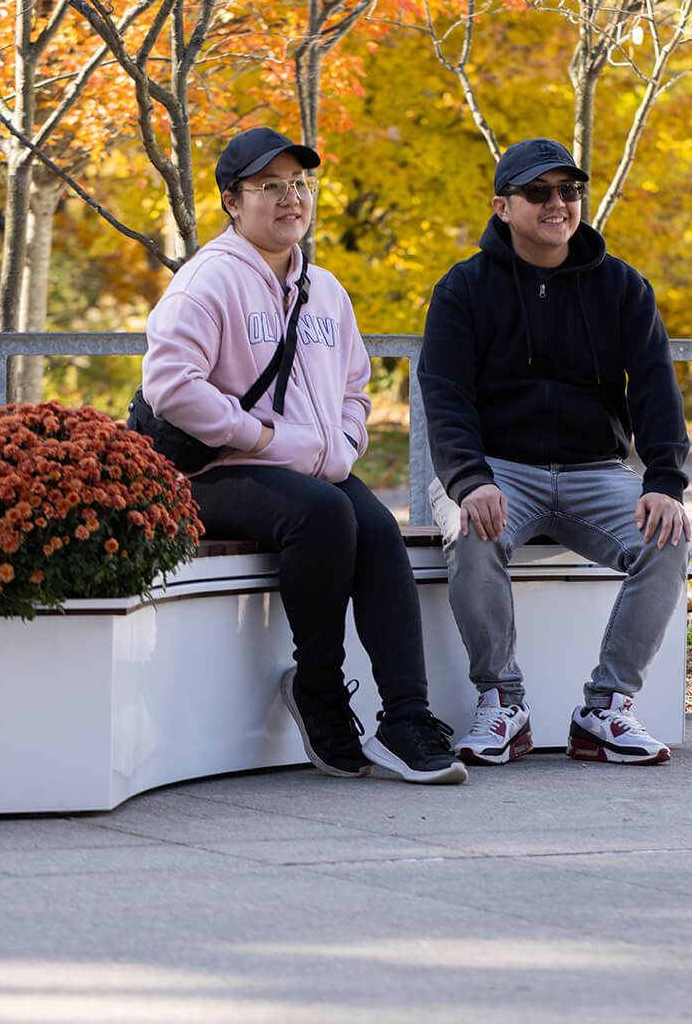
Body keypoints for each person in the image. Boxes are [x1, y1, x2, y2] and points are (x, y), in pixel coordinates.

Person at [142, 126, 466, 784]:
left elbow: (355, 385)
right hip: (215, 473)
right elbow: (170, 385)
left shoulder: (326, 289)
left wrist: (346, 442)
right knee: (323, 515)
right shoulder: (207, 281)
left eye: (300, 185)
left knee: (377, 527)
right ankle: (317, 688)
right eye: (271, 187)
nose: (291, 198)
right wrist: (259, 437)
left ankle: (407, 717)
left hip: (310, 473)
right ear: (233, 202)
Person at [419, 137, 692, 766]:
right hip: (497, 469)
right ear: (502, 206)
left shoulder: (622, 286)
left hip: (596, 470)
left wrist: (664, 482)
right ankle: (502, 703)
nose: (557, 204)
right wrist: (468, 479)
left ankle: (606, 710)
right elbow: (446, 396)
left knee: (668, 536)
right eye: (537, 192)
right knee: (472, 527)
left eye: (568, 191)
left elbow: (655, 388)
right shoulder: (463, 289)